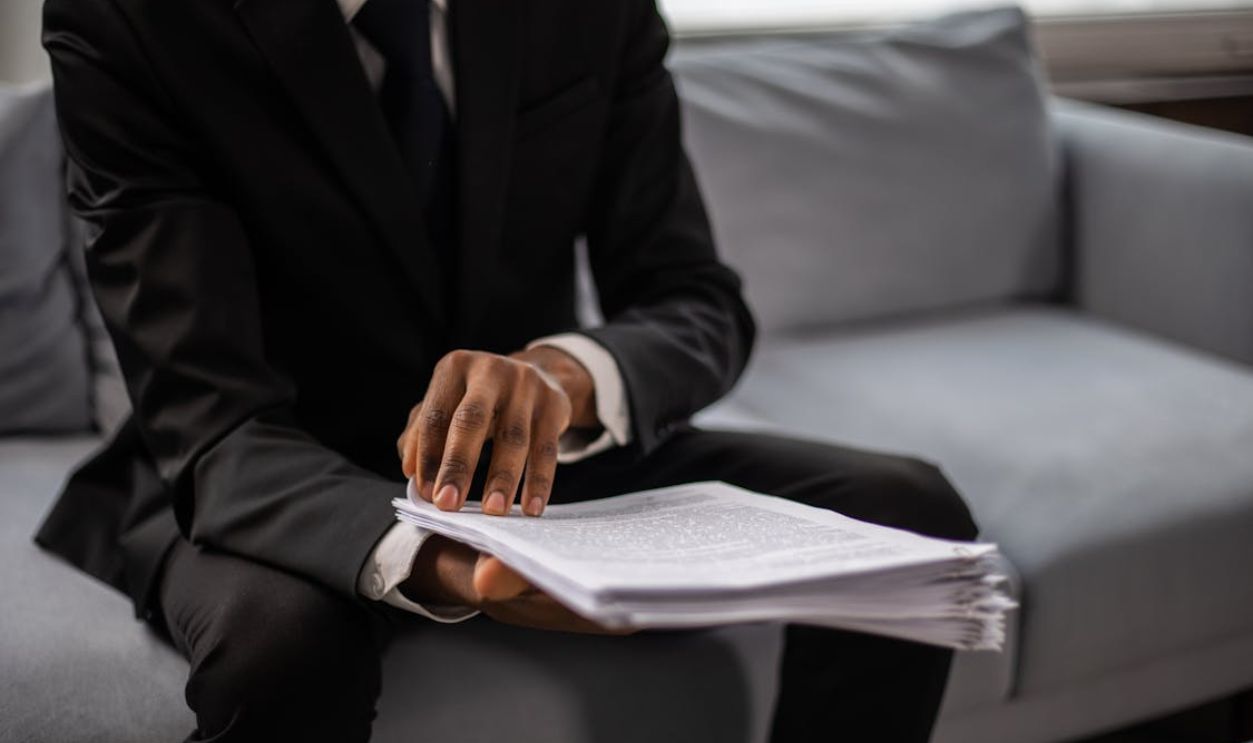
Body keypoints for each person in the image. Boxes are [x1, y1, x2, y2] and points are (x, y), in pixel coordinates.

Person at [35, 0, 979, 740]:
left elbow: (697, 301)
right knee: (284, 651)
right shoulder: (131, 19)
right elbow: (216, 419)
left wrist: (561, 377)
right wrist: (457, 566)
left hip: (532, 462)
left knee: (904, 510)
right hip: (262, 471)